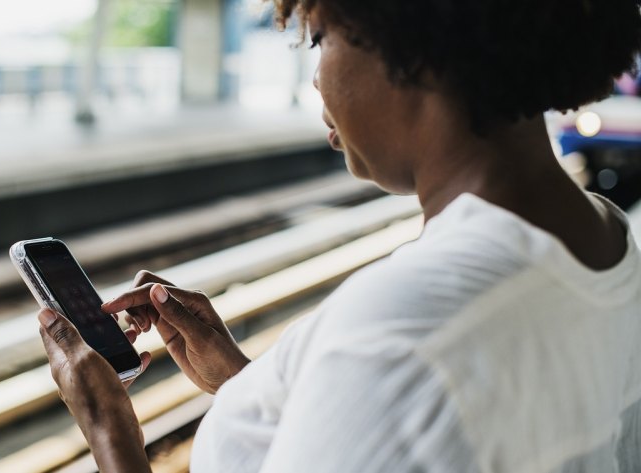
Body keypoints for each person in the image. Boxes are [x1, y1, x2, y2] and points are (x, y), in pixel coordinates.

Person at [36, 0, 641, 471]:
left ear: (415, 47)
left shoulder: (398, 335)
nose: (316, 80)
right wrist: (243, 383)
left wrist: (109, 432)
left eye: (321, 37)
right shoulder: (604, 238)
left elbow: (402, 379)